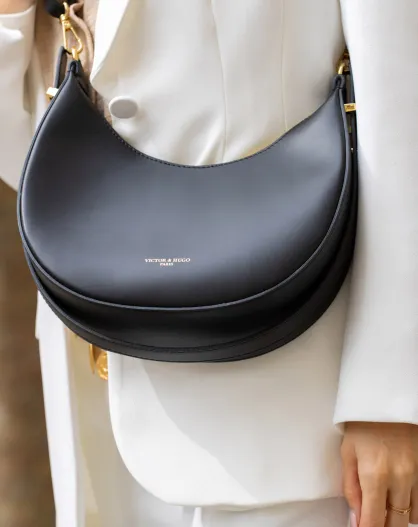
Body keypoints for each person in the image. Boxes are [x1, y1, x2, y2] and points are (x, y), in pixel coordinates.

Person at [1, 1, 418, 526]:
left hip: (283, 423)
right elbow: (35, 163)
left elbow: (402, 101)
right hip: (95, 397)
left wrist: (391, 400)